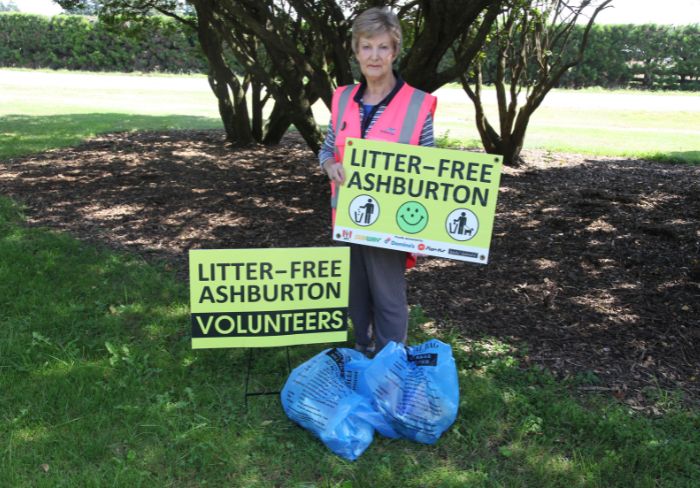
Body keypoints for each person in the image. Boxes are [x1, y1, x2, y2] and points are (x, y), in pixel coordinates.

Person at [318, 7, 437, 356]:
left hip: (391, 222)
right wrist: (329, 166)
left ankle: (390, 361)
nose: (374, 56)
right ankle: (361, 351)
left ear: (395, 51)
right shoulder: (342, 98)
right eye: (366, 46)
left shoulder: (416, 104)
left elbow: (430, 169)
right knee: (355, 293)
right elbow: (326, 150)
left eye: (383, 47)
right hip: (347, 217)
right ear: (356, 51)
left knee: (388, 296)